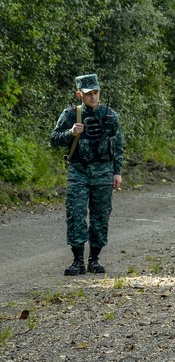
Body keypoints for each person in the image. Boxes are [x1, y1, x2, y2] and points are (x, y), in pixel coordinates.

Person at [50, 74, 124, 276]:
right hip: (78, 171)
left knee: (100, 216)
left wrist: (117, 172)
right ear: (79, 94)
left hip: (103, 172)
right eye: (88, 93)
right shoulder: (71, 115)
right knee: (75, 213)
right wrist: (71, 133)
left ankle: (94, 259)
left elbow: (117, 145)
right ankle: (77, 261)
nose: (93, 97)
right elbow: (54, 139)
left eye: (95, 93)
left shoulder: (110, 116)